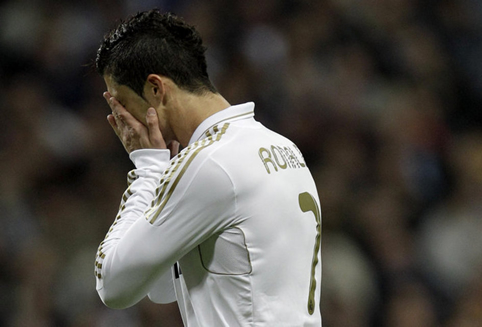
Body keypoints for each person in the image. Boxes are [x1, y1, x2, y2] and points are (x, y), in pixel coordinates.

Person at [94, 9, 322, 326]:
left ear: (156, 89)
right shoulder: (281, 147)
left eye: (120, 102)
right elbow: (160, 287)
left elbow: (114, 286)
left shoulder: (211, 163)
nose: (120, 120)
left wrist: (148, 168)